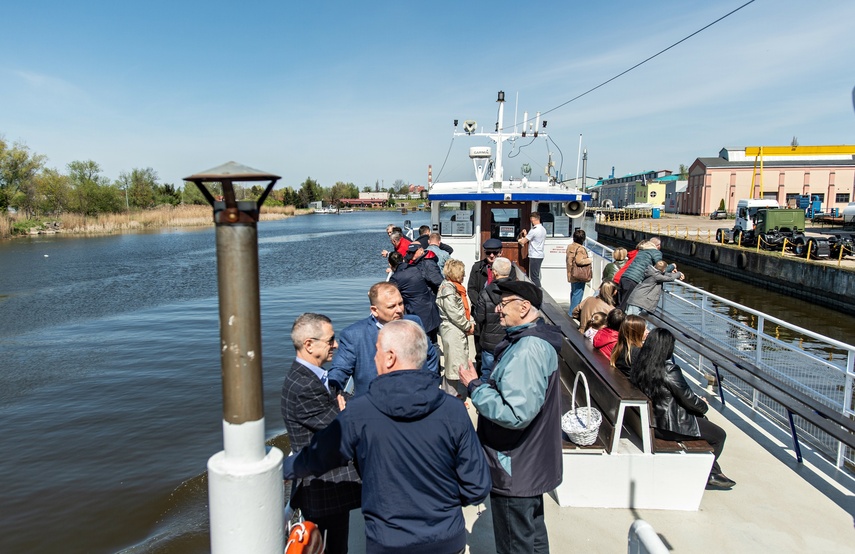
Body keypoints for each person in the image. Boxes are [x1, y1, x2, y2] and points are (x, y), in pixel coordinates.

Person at [283, 319, 492, 554]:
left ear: (390, 357)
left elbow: (318, 457)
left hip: (387, 541)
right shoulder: (453, 411)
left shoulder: (359, 412)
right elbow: (477, 486)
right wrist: (444, 505)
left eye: (376, 352)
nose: (374, 358)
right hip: (446, 539)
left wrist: (283, 468)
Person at [459, 280, 564, 554]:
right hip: (530, 463)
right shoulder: (534, 341)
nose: (497, 309)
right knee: (533, 536)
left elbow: (516, 414)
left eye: (504, 304)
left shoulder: (528, 350)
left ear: (525, 306)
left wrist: (475, 387)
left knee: (514, 544)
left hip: (514, 467)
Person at [281, 313, 361, 554]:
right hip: (325, 487)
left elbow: (344, 399)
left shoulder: (313, 377)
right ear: (309, 344)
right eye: (330, 340)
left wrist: (342, 404)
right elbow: (342, 428)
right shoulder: (304, 386)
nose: (335, 345)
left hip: (327, 484)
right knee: (335, 548)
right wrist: (341, 407)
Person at [630, 328, 735, 489]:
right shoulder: (669, 370)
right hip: (668, 426)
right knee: (719, 435)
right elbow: (689, 399)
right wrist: (703, 405)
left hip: (649, 420)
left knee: (704, 423)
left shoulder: (640, 363)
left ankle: (714, 471)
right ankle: (709, 473)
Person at [328, 282, 439, 397]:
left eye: (400, 303)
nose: (399, 310)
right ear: (374, 310)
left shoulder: (414, 322)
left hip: (418, 400)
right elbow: (339, 372)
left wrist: (430, 384)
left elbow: (430, 355)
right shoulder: (354, 335)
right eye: (391, 306)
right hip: (375, 407)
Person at [436, 258, 474, 398]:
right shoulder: (449, 290)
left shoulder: (453, 288)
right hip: (452, 330)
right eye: (462, 273)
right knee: (454, 366)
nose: (464, 276)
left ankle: (450, 394)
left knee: (454, 362)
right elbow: (455, 313)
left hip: (455, 329)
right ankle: (451, 397)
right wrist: (468, 326)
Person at [390, 243, 443, 342]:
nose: (411, 255)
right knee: (432, 342)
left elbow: (439, 282)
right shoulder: (415, 264)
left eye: (413, 252)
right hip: (428, 307)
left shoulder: (427, 263)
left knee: (427, 343)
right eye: (409, 253)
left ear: (421, 250)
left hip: (425, 306)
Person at [473, 256, 513, 379]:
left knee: (487, 375)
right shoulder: (516, 292)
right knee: (506, 375)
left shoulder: (485, 293)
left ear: (494, 273)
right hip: (509, 340)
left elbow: (479, 318)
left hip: (489, 342)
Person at [618, 237, 663, 311]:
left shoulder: (642, 250)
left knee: (620, 304)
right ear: (658, 246)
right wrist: (672, 267)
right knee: (623, 307)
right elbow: (660, 267)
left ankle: (615, 320)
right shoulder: (656, 252)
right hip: (633, 280)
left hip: (624, 277)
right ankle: (619, 321)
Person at [467, 238, 512, 306]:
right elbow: (471, 289)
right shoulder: (477, 267)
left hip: (501, 306)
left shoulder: (508, 267)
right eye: (488, 253)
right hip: (480, 305)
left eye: (495, 252)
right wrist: (480, 304)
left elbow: (511, 289)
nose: (491, 255)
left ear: (500, 252)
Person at [565, 228, 592, 316]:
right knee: (578, 293)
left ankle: (571, 311)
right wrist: (589, 260)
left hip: (571, 273)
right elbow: (579, 261)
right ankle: (572, 314)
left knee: (573, 292)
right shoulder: (580, 249)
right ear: (583, 239)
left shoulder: (570, 247)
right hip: (579, 275)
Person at [518, 212, 546, 287]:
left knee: (534, 277)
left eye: (531, 220)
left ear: (533, 219)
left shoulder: (534, 230)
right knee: (536, 275)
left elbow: (523, 241)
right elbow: (533, 239)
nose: (531, 221)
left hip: (534, 255)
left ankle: (539, 294)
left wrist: (519, 240)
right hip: (539, 254)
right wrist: (526, 235)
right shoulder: (543, 229)